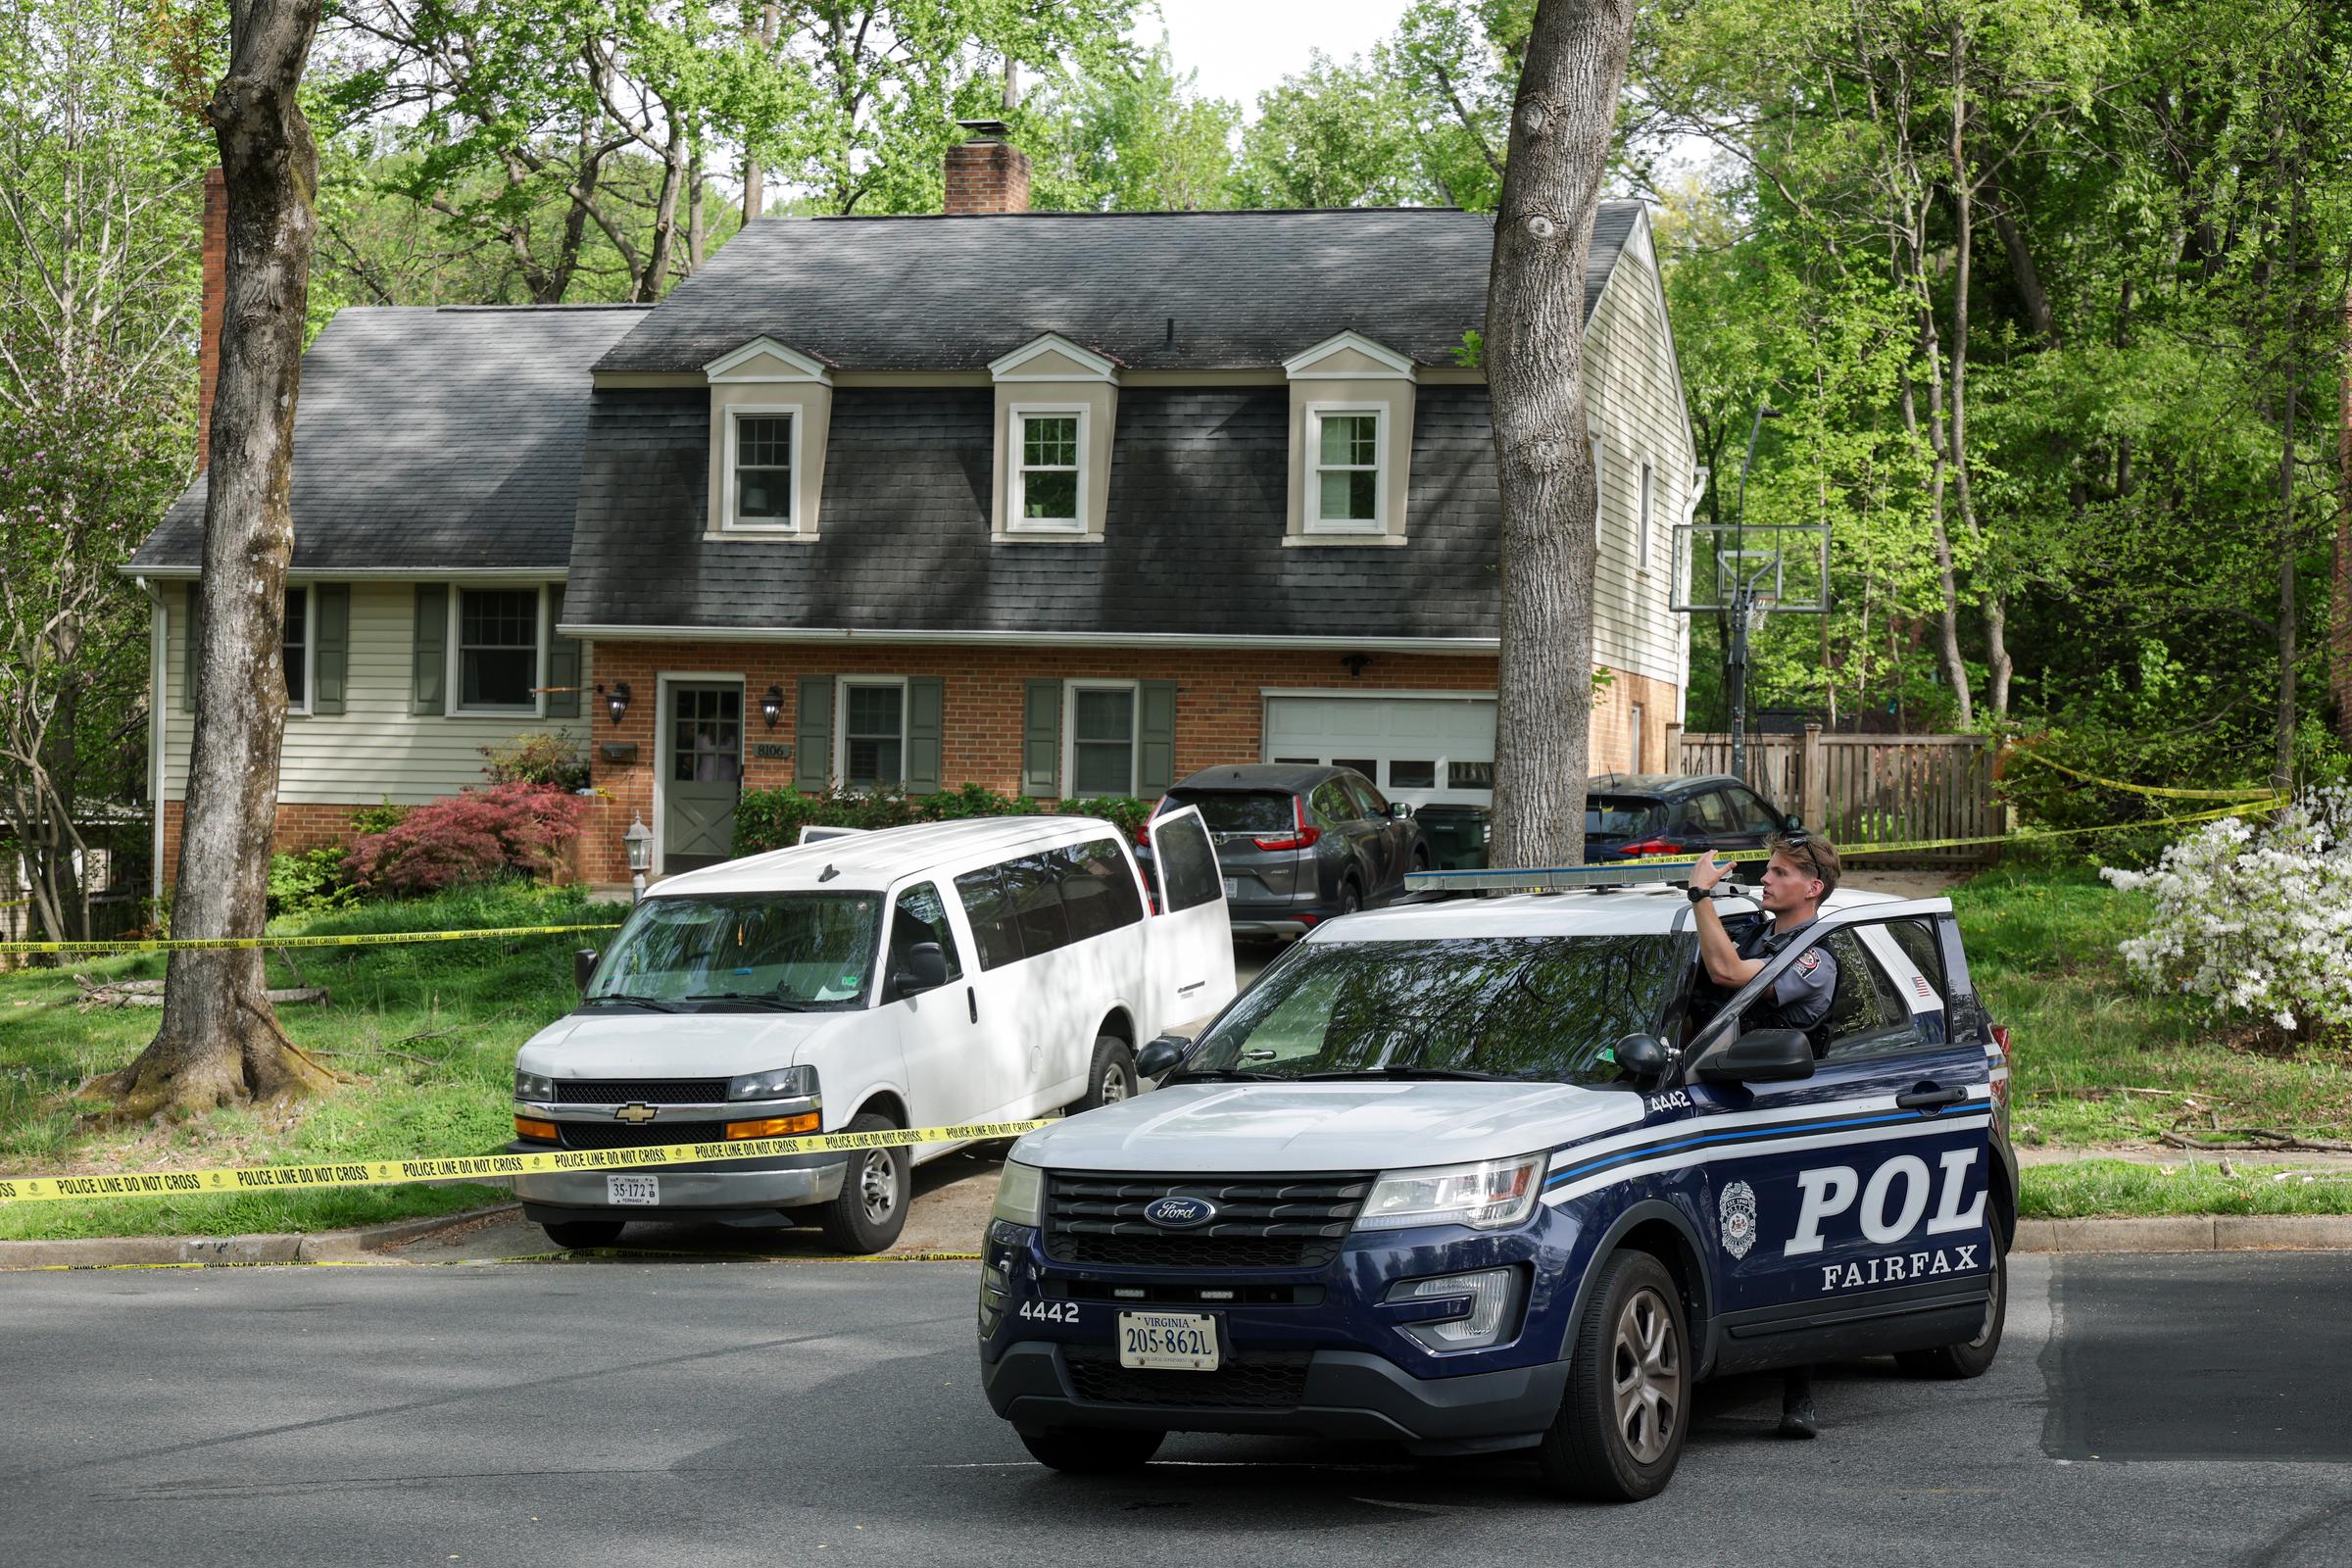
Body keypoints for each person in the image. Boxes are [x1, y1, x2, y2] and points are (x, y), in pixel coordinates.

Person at [1687, 828, 1845, 1440]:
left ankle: (1798, 1392)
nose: (1766, 880)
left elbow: (1727, 973)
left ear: (1813, 889)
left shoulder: (1813, 955)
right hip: (1729, 1103)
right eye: (1768, 870)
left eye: (1779, 874)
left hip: (1789, 1116)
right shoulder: (1759, 930)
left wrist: (1700, 896)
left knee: (1790, 1245)